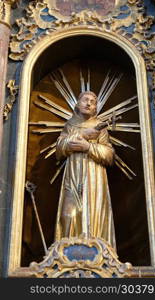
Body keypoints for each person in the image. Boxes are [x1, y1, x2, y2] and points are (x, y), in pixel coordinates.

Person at [55, 91, 116, 248]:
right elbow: (59, 149)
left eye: (93, 101)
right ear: (77, 104)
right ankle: (66, 252)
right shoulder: (70, 125)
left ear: (95, 108)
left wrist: (88, 147)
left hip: (94, 177)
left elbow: (109, 155)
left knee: (92, 213)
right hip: (73, 175)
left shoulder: (100, 128)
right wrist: (82, 135)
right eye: (85, 100)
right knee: (68, 214)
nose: (89, 103)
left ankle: (96, 252)